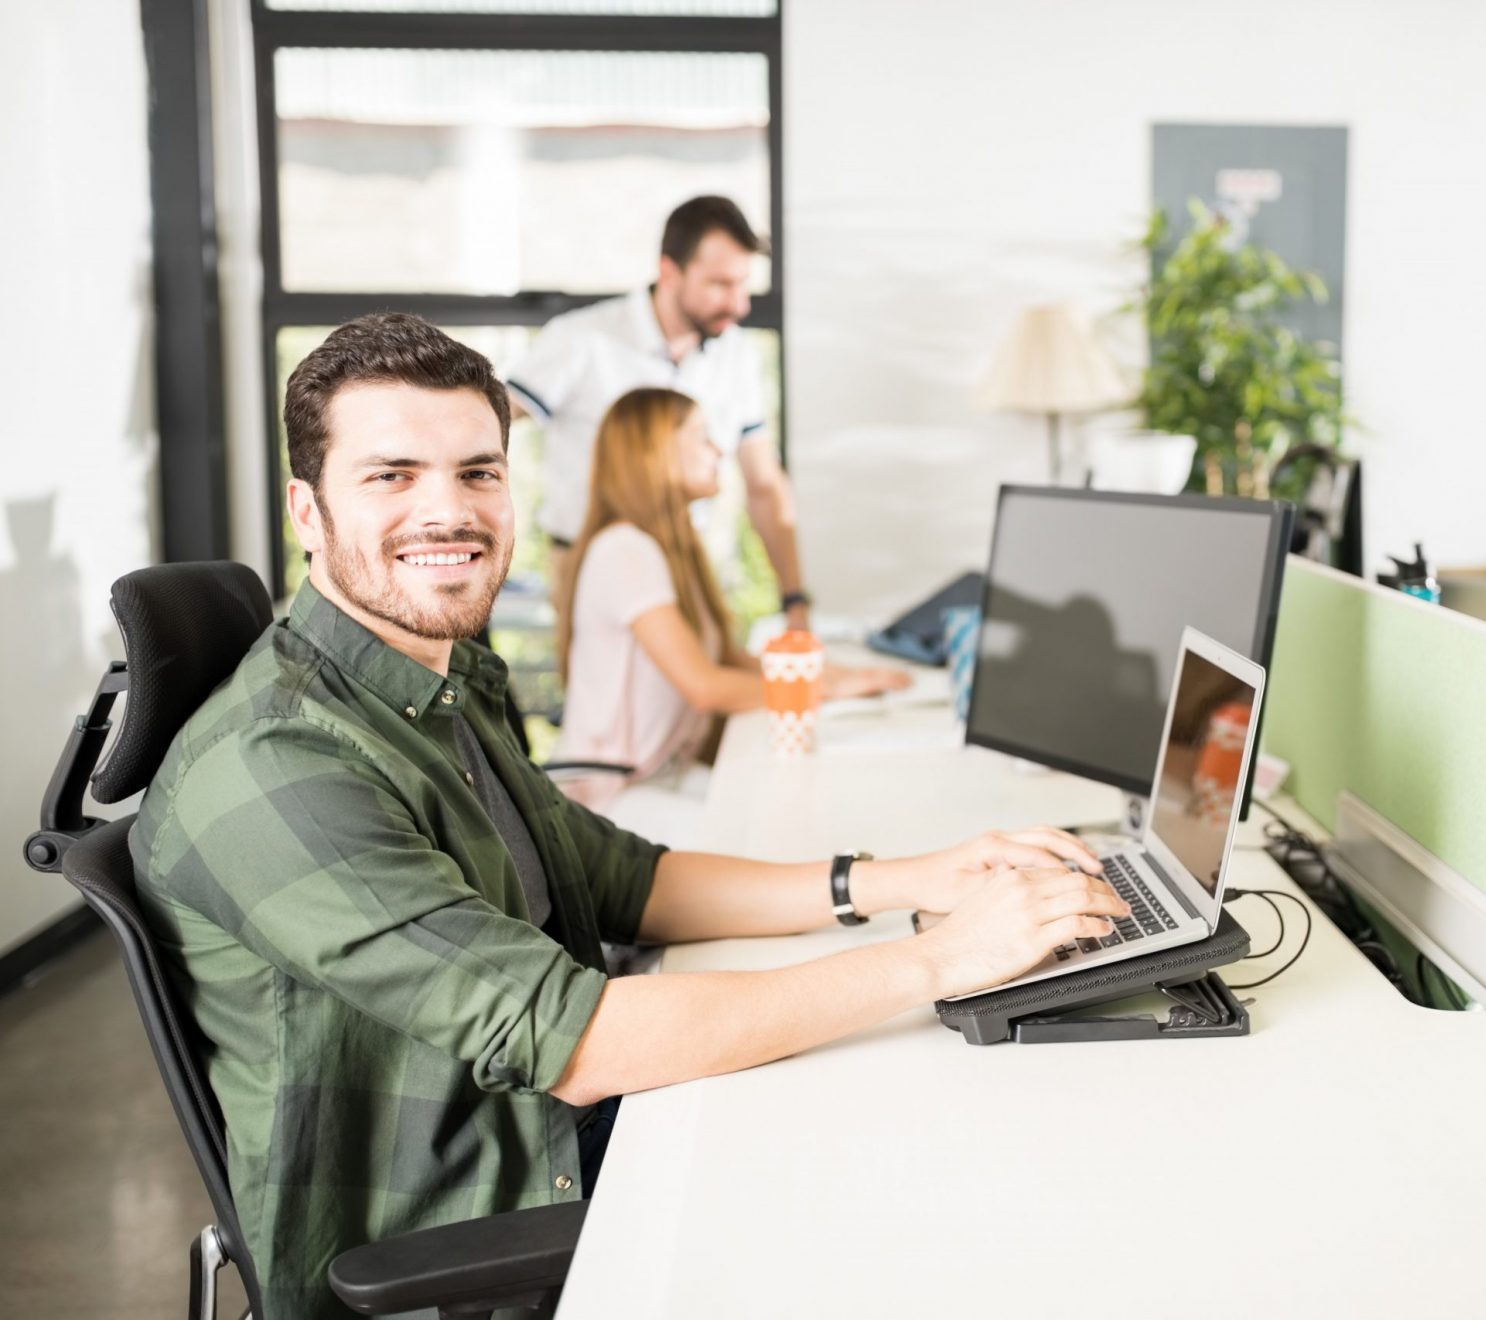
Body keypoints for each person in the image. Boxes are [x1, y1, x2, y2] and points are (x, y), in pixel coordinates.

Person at [131, 314, 1128, 1319]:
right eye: (392, 475)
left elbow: (623, 879)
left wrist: (910, 878)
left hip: (550, 1128)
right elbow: (579, 1042)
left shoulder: (438, 680)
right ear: (306, 511)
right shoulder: (279, 762)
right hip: (482, 1217)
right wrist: (941, 958)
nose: (449, 511)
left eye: (479, 473)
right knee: (935, 1159)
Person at [553, 386, 905, 815]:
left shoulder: (669, 548)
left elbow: (726, 658)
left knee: (792, 806)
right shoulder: (625, 549)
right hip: (609, 799)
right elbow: (705, 687)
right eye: (702, 436)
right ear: (655, 451)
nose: (719, 451)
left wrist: (832, 674)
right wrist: (824, 689)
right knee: (768, 829)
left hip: (660, 776)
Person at [505, 196, 814, 629]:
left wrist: (794, 600)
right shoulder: (583, 339)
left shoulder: (735, 353)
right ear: (669, 272)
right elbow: (489, 420)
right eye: (720, 285)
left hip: (686, 565)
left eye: (743, 284)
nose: (740, 305)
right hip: (593, 565)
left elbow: (764, 484)